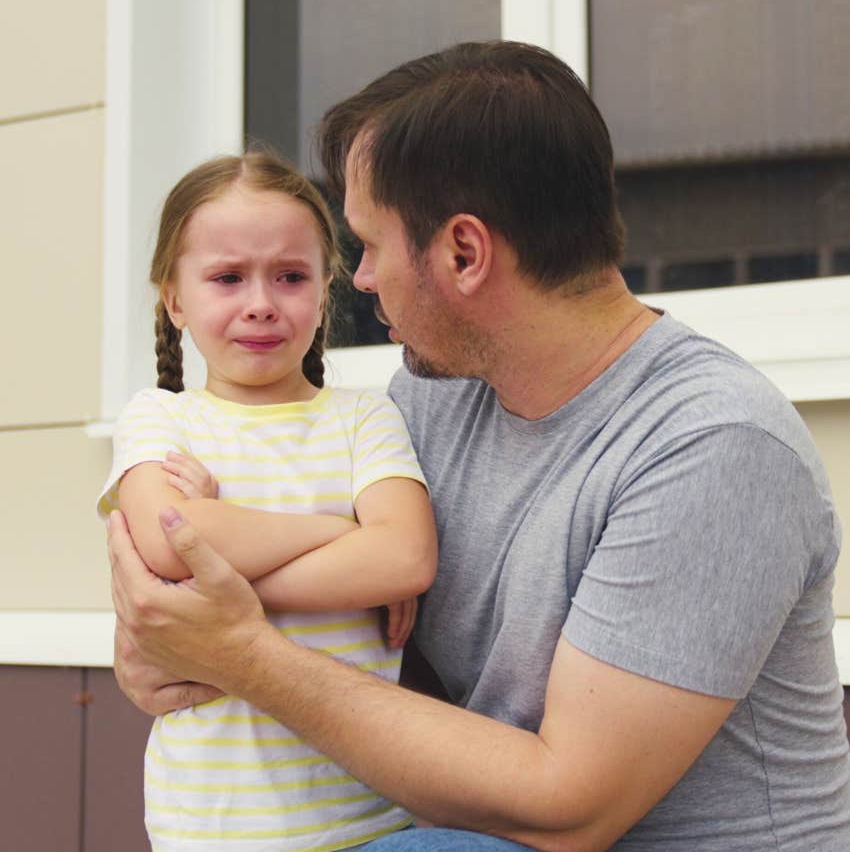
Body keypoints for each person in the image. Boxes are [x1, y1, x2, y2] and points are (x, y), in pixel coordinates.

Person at [108, 42, 850, 851]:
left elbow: (571, 809)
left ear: (463, 253)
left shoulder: (712, 447)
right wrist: (172, 648)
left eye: (372, 246)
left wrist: (244, 653)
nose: (357, 281)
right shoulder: (432, 398)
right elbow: (371, 661)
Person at [97, 150, 437, 852]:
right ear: (175, 299)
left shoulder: (364, 420)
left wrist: (218, 568)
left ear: (323, 291)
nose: (261, 302)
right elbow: (166, 539)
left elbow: (404, 554)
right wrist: (343, 533)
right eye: (227, 277)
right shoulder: (160, 419)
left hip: (368, 818)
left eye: (290, 276)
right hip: (211, 826)